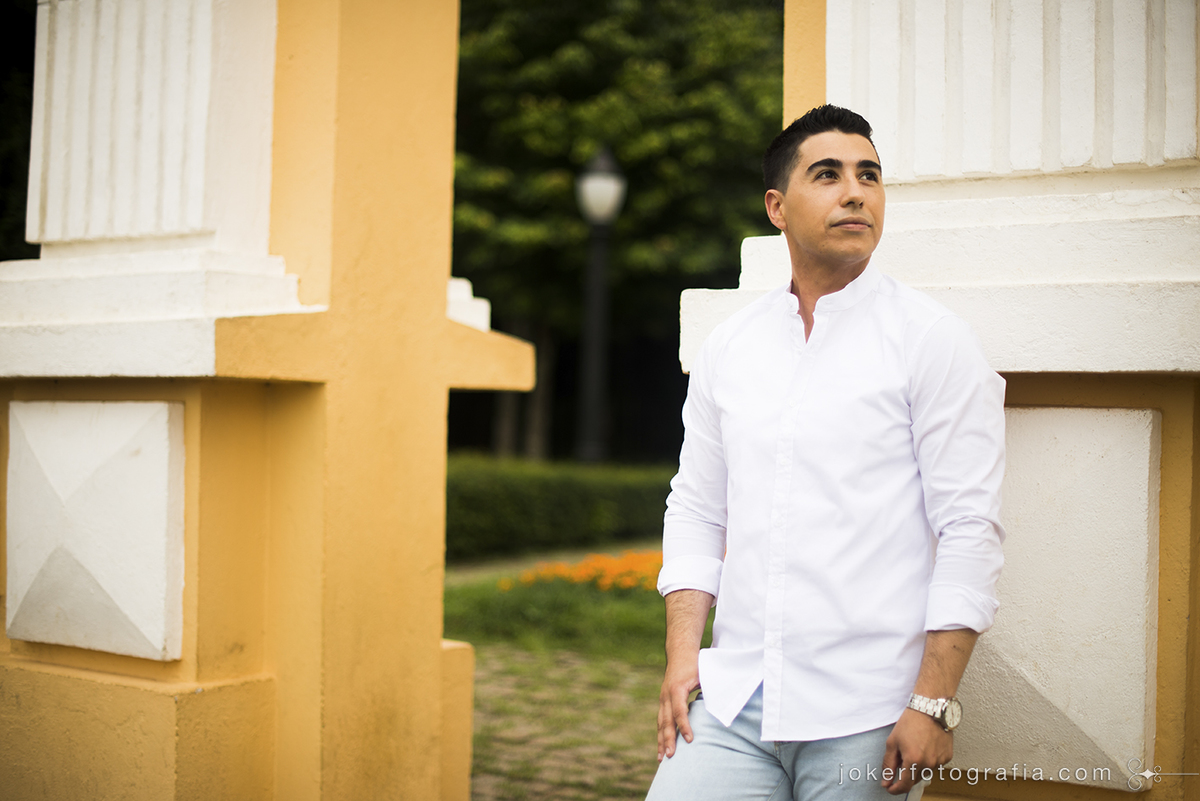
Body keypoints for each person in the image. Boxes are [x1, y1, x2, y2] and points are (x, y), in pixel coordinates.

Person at [645, 105, 1006, 801]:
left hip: (867, 713)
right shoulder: (732, 346)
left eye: (869, 175)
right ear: (777, 207)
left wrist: (933, 701)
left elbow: (969, 527)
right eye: (829, 174)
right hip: (733, 698)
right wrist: (682, 656)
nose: (855, 192)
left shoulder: (932, 340)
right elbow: (695, 505)